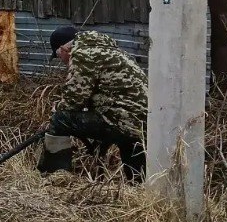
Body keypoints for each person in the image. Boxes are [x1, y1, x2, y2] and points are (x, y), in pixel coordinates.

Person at [38, 24, 148, 181]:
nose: (62, 61)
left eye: (58, 57)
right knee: (130, 147)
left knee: (60, 119)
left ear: (63, 49)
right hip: (140, 122)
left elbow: (73, 100)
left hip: (120, 120)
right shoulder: (108, 50)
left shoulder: (82, 53)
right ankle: (140, 187)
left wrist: (58, 108)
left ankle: (55, 178)